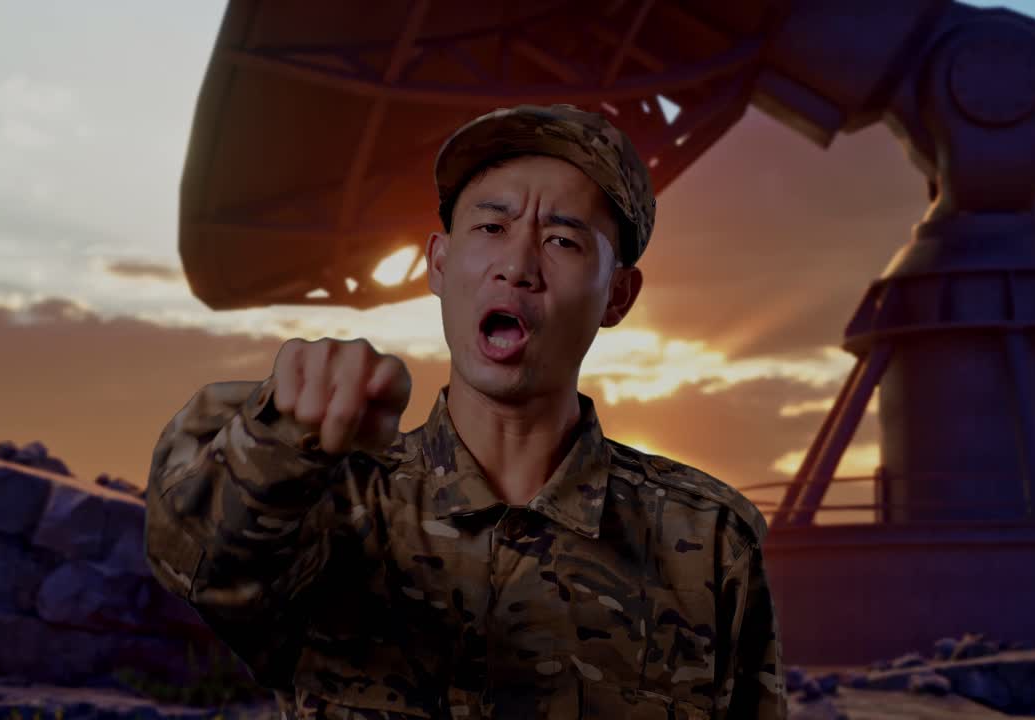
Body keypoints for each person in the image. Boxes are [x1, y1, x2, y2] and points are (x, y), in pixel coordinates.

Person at [144, 104, 787, 719]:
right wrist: (279, 435)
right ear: (440, 263)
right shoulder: (333, 505)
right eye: (490, 228)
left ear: (618, 294)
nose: (518, 266)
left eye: (563, 240)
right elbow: (195, 561)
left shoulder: (708, 543)